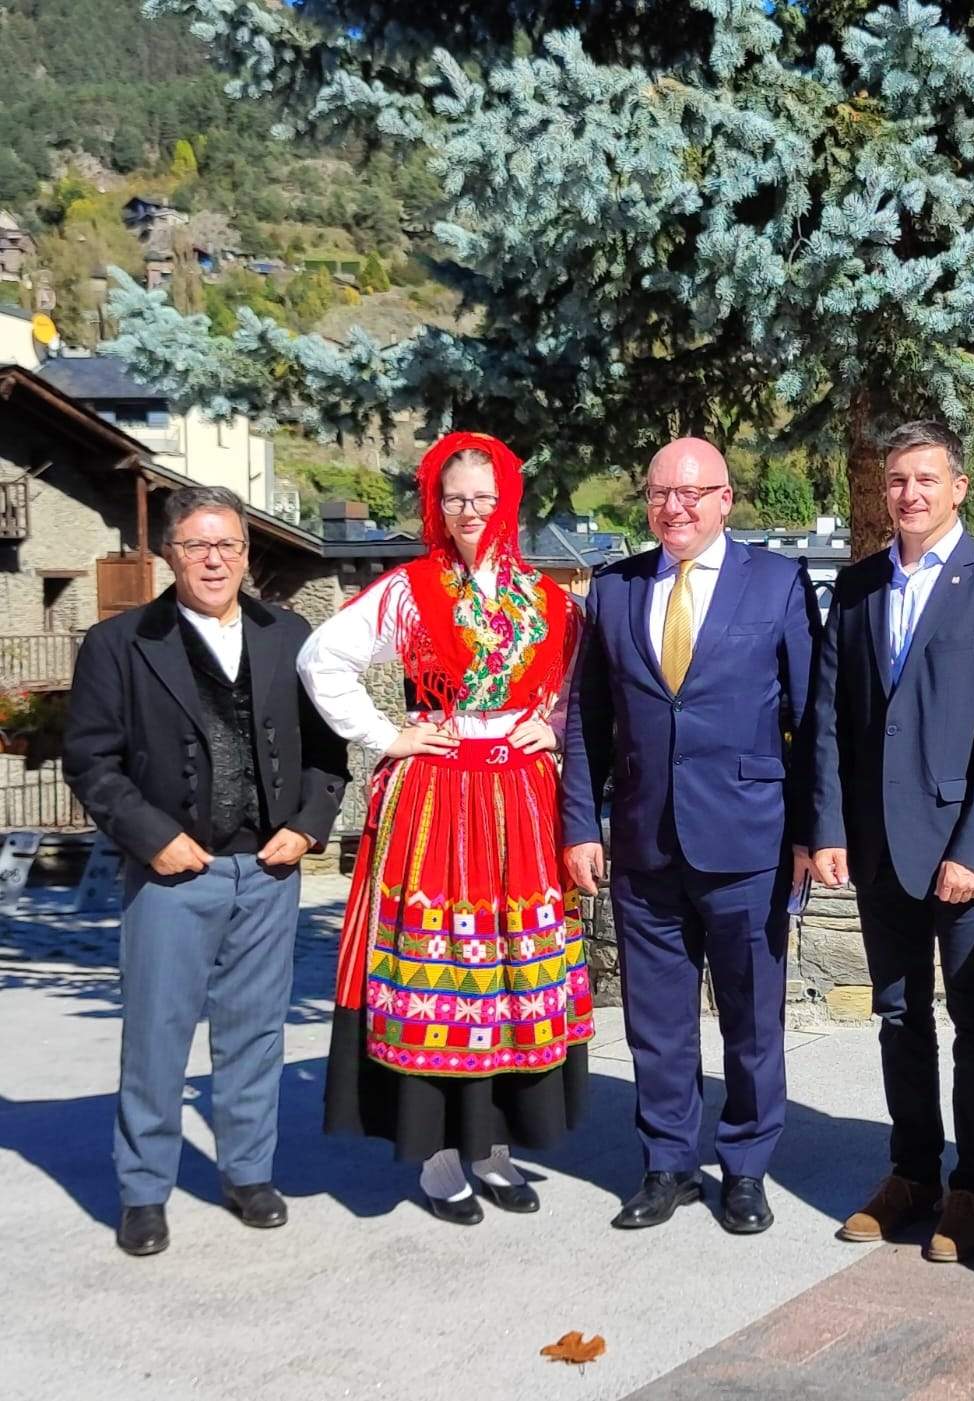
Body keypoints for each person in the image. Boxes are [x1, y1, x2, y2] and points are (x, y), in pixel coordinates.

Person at [297, 432, 590, 1224]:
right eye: (455, 496)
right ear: (437, 501)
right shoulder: (409, 588)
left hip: (521, 800)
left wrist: (551, 729)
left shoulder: (547, 597)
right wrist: (388, 735)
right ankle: (434, 1157)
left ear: (508, 504)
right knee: (443, 971)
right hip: (438, 797)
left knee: (503, 975)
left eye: (483, 497)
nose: (469, 510)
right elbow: (324, 658)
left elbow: (576, 687)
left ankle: (492, 1146)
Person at [63, 485, 348, 1257]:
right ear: (170, 554)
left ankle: (249, 1172)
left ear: (248, 554)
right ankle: (144, 1190)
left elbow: (329, 755)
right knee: (156, 1036)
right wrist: (150, 835)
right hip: (171, 875)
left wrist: (307, 825)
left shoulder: (292, 635)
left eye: (228, 545)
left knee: (254, 1034)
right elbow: (91, 760)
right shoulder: (119, 643)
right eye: (197, 545)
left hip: (267, 869)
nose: (214, 559)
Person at [561, 437, 817, 1235]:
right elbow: (582, 724)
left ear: (725, 499)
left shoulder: (776, 583)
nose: (675, 506)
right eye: (660, 493)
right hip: (643, 846)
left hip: (748, 844)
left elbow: (813, 722)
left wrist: (816, 831)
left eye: (692, 492)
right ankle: (667, 1162)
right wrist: (580, 824)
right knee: (656, 1022)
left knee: (750, 1021)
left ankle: (744, 1167)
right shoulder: (613, 590)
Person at [809, 419, 974, 1264]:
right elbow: (830, 717)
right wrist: (828, 825)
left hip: (961, 853)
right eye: (897, 480)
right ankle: (910, 1173)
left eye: (925, 479)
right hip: (877, 850)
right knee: (899, 1018)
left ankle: (973, 1185)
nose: (909, 493)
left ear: (959, 487)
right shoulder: (861, 584)